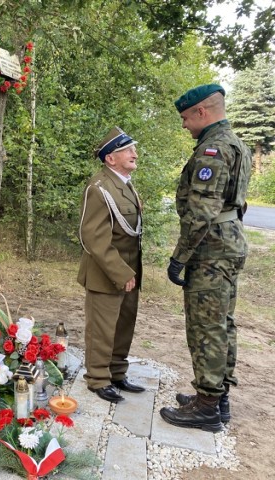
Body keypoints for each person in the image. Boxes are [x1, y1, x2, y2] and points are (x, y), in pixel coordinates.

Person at [160, 84, 252, 432]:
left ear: (202, 112)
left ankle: (207, 406)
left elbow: (201, 212)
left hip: (212, 251)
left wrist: (179, 257)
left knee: (206, 328)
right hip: (228, 245)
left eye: (185, 117)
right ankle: (218, 396)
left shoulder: (212, 151)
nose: (184, 125)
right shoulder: (235, 144)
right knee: (223, 323)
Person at [78, 127, 145, 403]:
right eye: (127, 150)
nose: (134, 154)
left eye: (133, 149)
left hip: (129, 270)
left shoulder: (124, 184)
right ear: (110, 158)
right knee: (103, 329)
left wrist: (129, 272)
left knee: (123, 325)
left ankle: (117, 372)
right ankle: (97, 378)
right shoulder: (100, 188)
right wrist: (120, 272)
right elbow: (93, 237)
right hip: (106, 272)